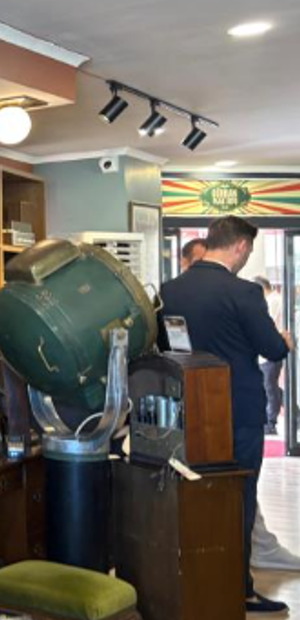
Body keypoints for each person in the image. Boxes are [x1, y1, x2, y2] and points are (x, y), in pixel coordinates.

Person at [161, 216, 292, 614]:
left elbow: (166, 347)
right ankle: (240, 590)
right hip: (238, 413)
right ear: (240, 246)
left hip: (189, 410)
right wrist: (285, 340)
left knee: (194, 497)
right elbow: (272, 349)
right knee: (240, 500)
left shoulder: (170, 290)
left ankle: (195, 582)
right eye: (248, 250)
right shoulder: (244, 292)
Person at [255, 277, 287, 435]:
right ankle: (293, 413)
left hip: (270, 352)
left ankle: (271, 422)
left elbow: (267, 325)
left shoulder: (272, 301)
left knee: (270, 387)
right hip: (270, 352)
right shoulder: (274, 299)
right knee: (272, 386)